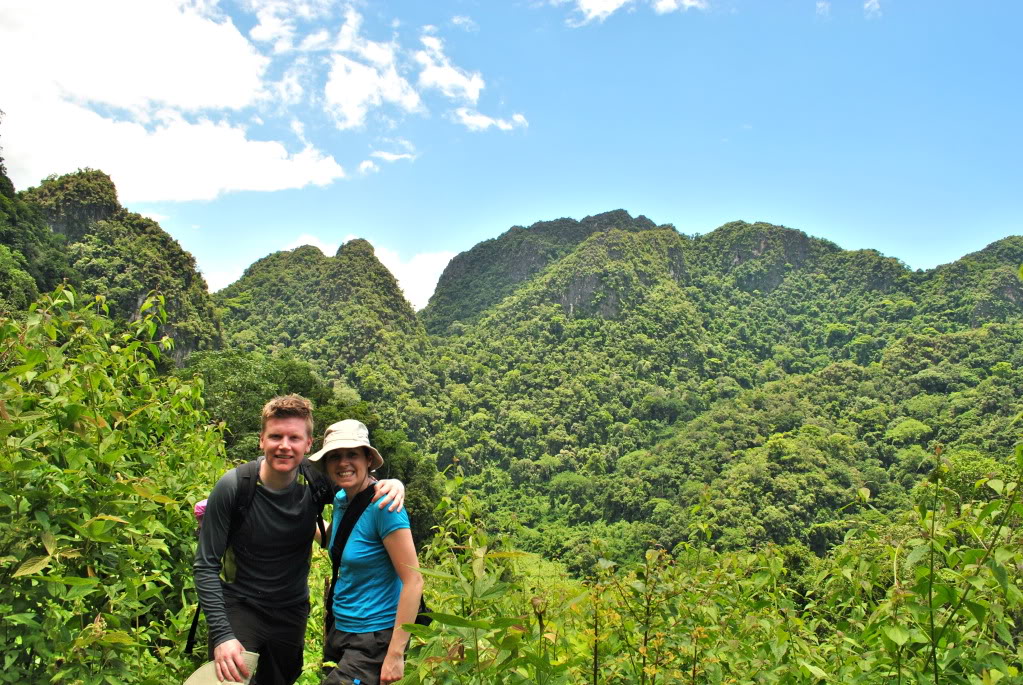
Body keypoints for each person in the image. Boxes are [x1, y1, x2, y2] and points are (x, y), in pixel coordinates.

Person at [194, 395, 406, 685]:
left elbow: (359, 488)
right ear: (261, 440)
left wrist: (393, 484)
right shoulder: (234, 487)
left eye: (294, 437)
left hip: (291, 612)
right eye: (275, 436)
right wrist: (222, 636)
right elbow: (205, 566)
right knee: (228, 681)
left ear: (308, 445)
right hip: (241, 607)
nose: (284, 445)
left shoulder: (316, 481)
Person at [309, 419, 423, 685]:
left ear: (368, 459)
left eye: (352, 454)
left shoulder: (385, 506)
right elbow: (340, 544)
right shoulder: (341, 500)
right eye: (334, 456)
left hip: (374, 638)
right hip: (340, 628)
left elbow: (414, 580)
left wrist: (395, 653)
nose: (343, 462)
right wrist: (298, 519)